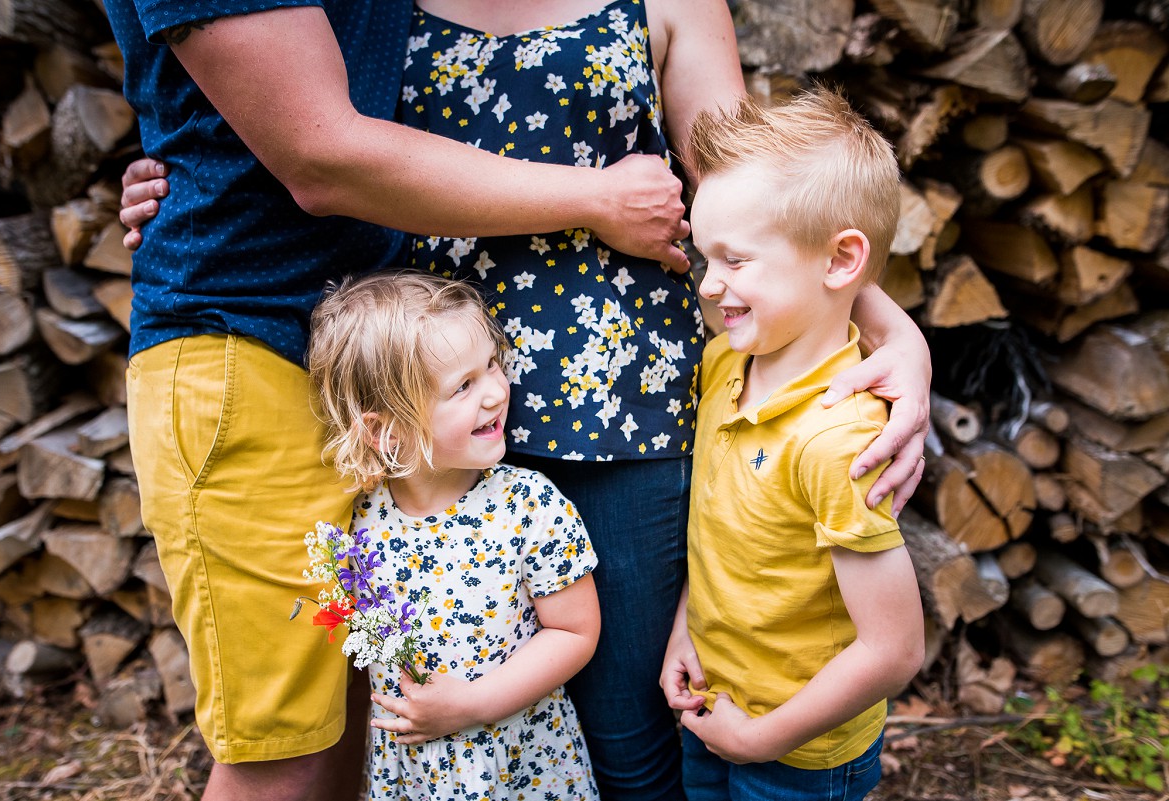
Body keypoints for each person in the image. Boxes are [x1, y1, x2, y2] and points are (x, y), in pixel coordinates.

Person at [114, 3, 931, 799]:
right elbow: (307, 136)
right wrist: (185, 174)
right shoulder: (386, 7)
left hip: (621, 407)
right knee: (396, 717)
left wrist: (894, 330)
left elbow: (760, 200)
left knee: (633, 737)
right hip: (426, 402)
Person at [659, 89, 926, 801]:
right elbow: (718, 535)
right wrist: (688, 629)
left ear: (840, 261)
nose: (710, 283)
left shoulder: (841, 438)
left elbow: (894, 648)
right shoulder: (725, 367)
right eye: (704, 255)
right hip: (718, 703)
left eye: (736, 260)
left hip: (800, 756)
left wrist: (760, 739)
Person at [307, 270, 601, 799]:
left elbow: (574, 632)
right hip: (415, 775)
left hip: (518, 766)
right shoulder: (358, 521)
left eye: (492, 364)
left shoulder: (527, 505)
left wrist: (471, 705)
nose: (495, 392)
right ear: (384, 430)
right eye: (462, 386)